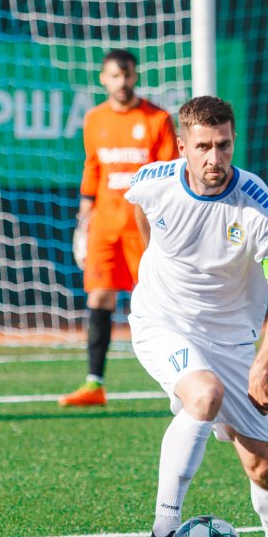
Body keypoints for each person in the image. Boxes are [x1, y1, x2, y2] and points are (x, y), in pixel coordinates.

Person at [125, 96, 268, 537]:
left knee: (264, 469)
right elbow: (141, 216)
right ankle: (163, 532)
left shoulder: (261, 210)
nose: (214, 158)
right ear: (182, 147)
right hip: (161, 321)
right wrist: (155, 272)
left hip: (233, 340)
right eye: (203, 147)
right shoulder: (152, 182)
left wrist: (262, 368)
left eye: (223, 145)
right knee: (204, 394)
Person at [59, 49, 179, 407]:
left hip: (143, 229)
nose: (122, 82)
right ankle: (94, 384)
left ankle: (180, 379)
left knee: (160, 301)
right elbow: (93, 167)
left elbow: (170, 175)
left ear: (136, 76)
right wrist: (84, 219)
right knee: (99, 297)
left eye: (127, 75)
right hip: (104, 227)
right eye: (115, 76)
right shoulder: (95, 119)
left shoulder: (157, 119)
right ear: (103, 78)